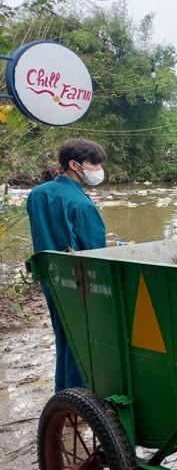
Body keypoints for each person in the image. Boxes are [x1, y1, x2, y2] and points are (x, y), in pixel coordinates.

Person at [27, 138, 108, 392]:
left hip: (51, 279)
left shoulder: (38, 194)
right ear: (74, 165)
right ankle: (81, 399)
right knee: (83, 342)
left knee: (63, 336)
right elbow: (96, 250)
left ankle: (64, 395)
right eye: (94, 164)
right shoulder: (81, 203)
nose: (98, 170)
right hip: (80, 281)